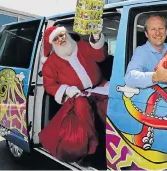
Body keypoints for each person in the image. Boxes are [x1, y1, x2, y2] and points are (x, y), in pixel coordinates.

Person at [38, 25, 108, 165]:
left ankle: (113, 143)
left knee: (112, 108)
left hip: (100, 88)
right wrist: (67, 90)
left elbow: (100, 56)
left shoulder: (81, 46)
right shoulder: (50, 63)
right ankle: (91, 149)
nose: (61, 39)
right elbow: (49, 86)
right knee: (82, 107)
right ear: (52, 43)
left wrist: (95, 36)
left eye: (62, 35)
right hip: (76, 95)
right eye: (56, 38)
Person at [124, 15, 167, 88]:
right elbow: (129, 78)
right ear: (146, 34)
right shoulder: (141, 51)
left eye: (161, 28)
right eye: (153, 29)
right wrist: (155, 77)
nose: (158, 33)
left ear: (166, 32)